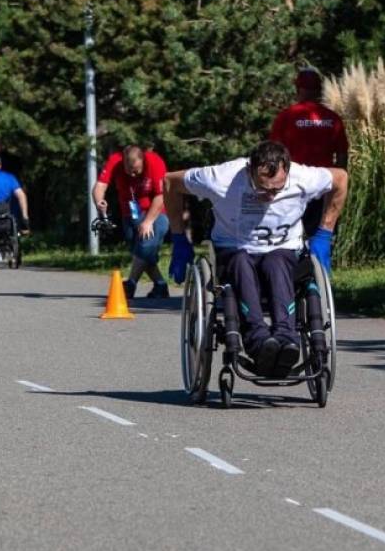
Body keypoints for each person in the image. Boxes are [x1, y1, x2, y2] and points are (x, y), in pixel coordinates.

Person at [162, 140, 348, 376]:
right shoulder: (221, 178)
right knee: (241, 262)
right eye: (262, 188)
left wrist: (324, 233)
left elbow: (340, 178)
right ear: (249, 170)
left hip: (282, 249)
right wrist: (179, 238)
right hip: (234, 249)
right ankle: (258, 342)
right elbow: (170, 182)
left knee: (276, 262)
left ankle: (285, 339)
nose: (269, 196)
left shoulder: (302, 178)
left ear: (287, 172)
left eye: (277, 189)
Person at [270, 67, 349, 250]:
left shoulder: (286, 117)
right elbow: (342, 156)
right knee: (320, 233)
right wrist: (339, 181)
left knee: (289, 233)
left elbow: (273, 153)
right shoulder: (332, 118)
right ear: (319, 90)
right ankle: (318, 270)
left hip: (293, 184)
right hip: (324, 184)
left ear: (298, 89)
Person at [91, 145, 171, 298]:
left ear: (142, 160)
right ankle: (160, 286)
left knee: (146, 245)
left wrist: (148, 221)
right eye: (129, 170)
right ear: (123, 162)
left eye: (137, 170)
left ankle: (130, 284)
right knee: (139, 252)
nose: (133, 175)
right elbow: (100, 185)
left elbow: (161, 196)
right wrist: (99, 201)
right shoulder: (115, 161)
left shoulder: (154, 162)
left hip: (156, 212)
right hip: (130, 213)